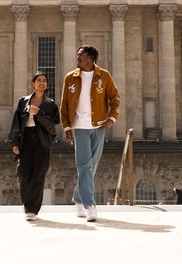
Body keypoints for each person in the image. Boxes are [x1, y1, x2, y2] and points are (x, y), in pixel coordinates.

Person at [61, 45, 121, 222]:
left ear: (91, 58)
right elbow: (64, 105)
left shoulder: (104, 76)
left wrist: (112, 118)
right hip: (79, 127)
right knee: (84, 165)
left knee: (92, 164)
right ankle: (90, 205)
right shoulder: (70, 78)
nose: (77, 57)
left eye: (81, 55)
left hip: (99, 126)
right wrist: (67, 128)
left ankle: (78, 198)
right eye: (78, 54)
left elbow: (115, 98)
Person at [8, 71, 60, 221]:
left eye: (44, 80)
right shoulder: (23, 101)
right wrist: (15, 142)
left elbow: (54, 123)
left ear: (46, 85)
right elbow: (16, 122)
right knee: (23, 174)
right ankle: (27, 204)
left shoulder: (50, 104)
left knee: (38, 175)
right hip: (25, 139)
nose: (42, 83)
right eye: (39, 80)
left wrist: (40, 113)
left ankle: (32, 209)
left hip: (41, 140)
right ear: (33, 84)